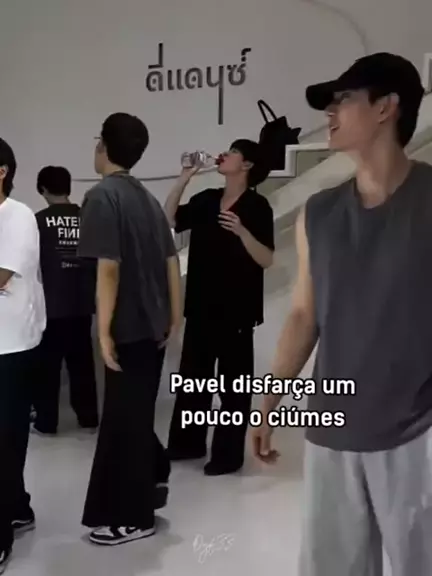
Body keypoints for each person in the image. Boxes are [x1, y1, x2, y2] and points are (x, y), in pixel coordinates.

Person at [252, 53, 432, 576]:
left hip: (419, 431)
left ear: (386, 108)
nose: (329, 113)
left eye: (344, 99)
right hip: (332, 431)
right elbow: (303, 314)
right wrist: (270, 401)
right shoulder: (319, 213)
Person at [78, 112, 182, 546]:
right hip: (152, 328)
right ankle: (151, 481)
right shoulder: (147, 199)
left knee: (126, 423)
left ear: (103, 146)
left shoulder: (102, 197)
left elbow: (108, 269)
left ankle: (136, 517)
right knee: (133, 418)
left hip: (127, 329)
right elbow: (171, 261)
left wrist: (103, 332)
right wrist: (175, 316)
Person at [165, 139, 275, 476]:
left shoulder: (257, 207)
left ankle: (228, 456)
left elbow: (266, 259)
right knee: (193, 382)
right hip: (200, 306)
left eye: (235, 152)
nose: (225, 154)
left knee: (233, 389)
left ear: (247, 165)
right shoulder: (206, 199)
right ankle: (186, 444)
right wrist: (185, 176)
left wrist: (242, 232)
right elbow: (169, 217)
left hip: (237, 313)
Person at [0, 138, 46, 573]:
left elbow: (2, 275)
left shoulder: (19, 216)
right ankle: (17, 506)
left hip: (11, 345)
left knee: (6, 438)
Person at [33, 166, 98, 434]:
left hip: (51, 304)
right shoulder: (87, 218)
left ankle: (46, 422)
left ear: (43, 189)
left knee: (47, 367)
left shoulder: (38, 221)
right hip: (83, 303)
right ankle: (89, 418)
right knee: (82, 363)